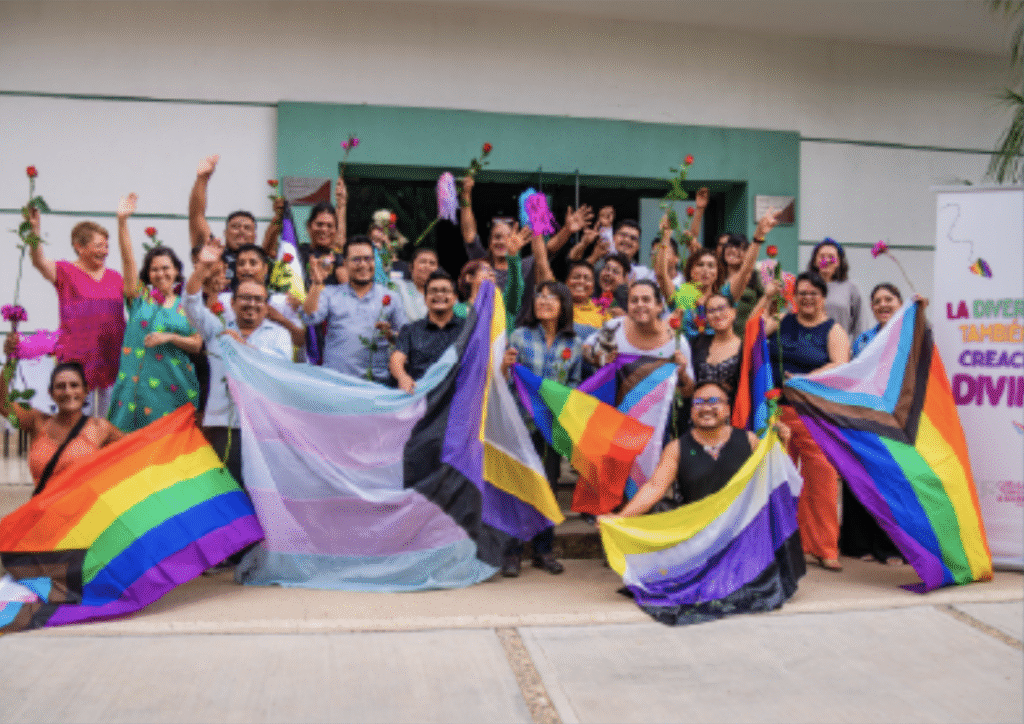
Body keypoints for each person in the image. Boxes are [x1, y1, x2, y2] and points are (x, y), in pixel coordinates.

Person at [182, 239, 292, 485]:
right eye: (245, 298)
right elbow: (189, 304)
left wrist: (242, 347)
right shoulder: (217, 329)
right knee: (224, 494)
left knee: (259, 494)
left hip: (263, 428)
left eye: (258, 300)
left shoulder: (279, 335)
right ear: (232, 303)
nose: (251, 304)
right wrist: (203, 267)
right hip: (223, 425)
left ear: (266, 306)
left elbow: (278, 369)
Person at [761, 271, 851, 571]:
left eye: (813, 292)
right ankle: (779, 544)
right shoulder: (784, 320)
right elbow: (754, 331)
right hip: (776, 414)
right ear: (794, 296)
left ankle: (825, 547)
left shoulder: (833, 329)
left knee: (822, 479)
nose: (807, 298)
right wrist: (767, 298)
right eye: (801, 292)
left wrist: (804, 380)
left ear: (823, 297)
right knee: (778, 479)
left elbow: (840, 365)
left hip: (814, 416)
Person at [603, 380, 788, 517]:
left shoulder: (749, 441)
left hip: (742, 531)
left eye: (714, 401)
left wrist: (784, 443)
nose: (706, 408)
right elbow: (654, 487)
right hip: (696, 533)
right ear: (691, 411)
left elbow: (774, 478)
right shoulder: (676, 448)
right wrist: (621, 518)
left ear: (727, 410)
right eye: (698, 402)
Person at [500, 281, 584, 577]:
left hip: (551, 428)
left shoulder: (573, 344)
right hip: (521, 424)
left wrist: (562, 401)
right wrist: (504, 366)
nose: (543, 300)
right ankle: (512, 552)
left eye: (551, 296)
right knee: (518, 487)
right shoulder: (519, 336)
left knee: (547, 487)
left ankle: (543, 551)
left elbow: (575, 381)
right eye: (540, 295)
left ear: (563, 305)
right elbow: (507, 382)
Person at [108, 193, 203, 432]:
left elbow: (197, 344)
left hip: (176, 388)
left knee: (172, 451)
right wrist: (122, 222)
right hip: (136, 391)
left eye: (166, 268)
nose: (160, 274)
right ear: (147, 275)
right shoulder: (140, 299)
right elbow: (127, 260)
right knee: (128, 449)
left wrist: (169, 337)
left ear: (177, 270)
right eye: (154, 270)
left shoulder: (188, 304)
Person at [27, 205, 127, 418]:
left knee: (109, 418)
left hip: (112, 357)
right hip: (78, 359)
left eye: (107, 246)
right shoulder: (65, 271)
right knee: (79, 419)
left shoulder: (115, 277)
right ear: (79, 247)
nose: (106, 251)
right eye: (99, 246)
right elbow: (38, 262)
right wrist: (34, 232)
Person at [843, 282, 918, 565]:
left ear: (900, 304)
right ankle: (859, 544)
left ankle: (893, 547)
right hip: (865, 417)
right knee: (861, 479)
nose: (882, 305)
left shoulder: (912, 335)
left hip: (901, 418)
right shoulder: (863, 341)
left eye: (889, 299)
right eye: (876, 301)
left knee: (894, 483)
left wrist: (919, 312)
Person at [1, 351, 124, 494]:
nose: (68, 392)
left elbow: (137, 447)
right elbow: (3, 404)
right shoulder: (37, 422)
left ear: (86, 390)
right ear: (51, 393)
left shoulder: (100, 427)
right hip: (44, 513)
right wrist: (10, 361)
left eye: (74, 385)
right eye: (60, 386)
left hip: (83, 513)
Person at [301, 235, 407, 381]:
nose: (363, 264)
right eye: (356, 259)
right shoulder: (331, 293)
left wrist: (391, 336)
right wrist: (316, 283)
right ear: (345, 263)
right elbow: (309, 318)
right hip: (335, 385)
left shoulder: (391, 297)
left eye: (368, 259)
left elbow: (407, 340)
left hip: (375, 387)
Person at [584, 280, 695, 391]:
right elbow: (586, 347)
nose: (639, 304)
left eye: (646, 299)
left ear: (659, 306)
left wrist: (682, 375)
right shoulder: (615, 327)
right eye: (634, 300)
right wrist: (596, 359)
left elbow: (688, 391)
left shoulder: (676, 343)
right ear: (627, 305)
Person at [188, 155, 279, 285]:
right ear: (225, 233)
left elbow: (273, 233)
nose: (241, 230)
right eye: (235, 226)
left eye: (247, 228)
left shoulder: (261, 259)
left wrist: (279, 215)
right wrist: (202, 178)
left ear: (255, 236)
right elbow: (196, 215)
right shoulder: (213, 252)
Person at [390, 270, 464, 393]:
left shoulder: (467, 327)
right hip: (421, 398)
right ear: (425, 299)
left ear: (454, 298)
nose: (439, 295)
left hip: (458, 398)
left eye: (445, 291)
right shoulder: (410, 330)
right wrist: (402, 377)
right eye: (433, 291)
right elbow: (396, 359)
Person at [807, 238, 862, 338]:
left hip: (841, 349)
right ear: (815, 261)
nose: (826, 260)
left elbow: (860, 324)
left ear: (839, 262)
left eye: (831, 257)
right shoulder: (805, 287)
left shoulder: (851, 287)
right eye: (822, 256)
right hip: (810, 349)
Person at [690, 293, 742, 397]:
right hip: (699, 407)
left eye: (722, 308)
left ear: (734, 312)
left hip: (732, 409)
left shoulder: (745, 348)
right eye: (711, 311)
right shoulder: (697, 343)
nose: (717, 315)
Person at [393, 247, 440, 322]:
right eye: (422, 262)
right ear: (411, 267)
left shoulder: (445, 292)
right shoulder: (398, 286)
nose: (427, 266)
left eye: (432, 263)